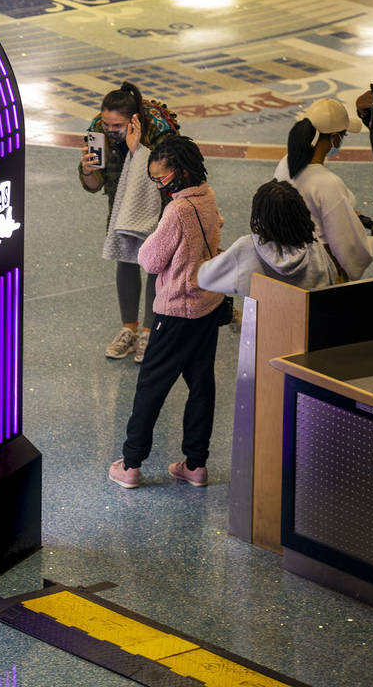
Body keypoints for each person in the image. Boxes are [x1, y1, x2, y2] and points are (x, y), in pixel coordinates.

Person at [108, 136, 224, 490]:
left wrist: (152, 238)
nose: (160, 186)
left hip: (175, 311)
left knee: (150, 388)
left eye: (162, 179)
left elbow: (151, 260)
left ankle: (130, 464)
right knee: (201, 384)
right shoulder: (207, 194)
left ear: (180, 171)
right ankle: (195, 464)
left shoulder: (176, 210)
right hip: (208, 306)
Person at [79, 82, 177, 364]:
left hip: (157, 199)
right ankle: (129, 330)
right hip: (121, 200)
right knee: (126, 258)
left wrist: (137, 149)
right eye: (106, 123)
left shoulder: (159, 130)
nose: (110, 129)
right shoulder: (97, 130)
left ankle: (149, 331)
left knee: (153, 261)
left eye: (116, 124)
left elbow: (164, 178)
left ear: (134, 120)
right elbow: (94, 185)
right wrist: (88, 170)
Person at [273, 98, 370, 281]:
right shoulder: (327, 183)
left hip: (287, 264)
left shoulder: (286, 163)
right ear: (334, 137)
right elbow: (348, 249)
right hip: (320, 271)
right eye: (343, 135)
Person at [197, 180, 336, 297]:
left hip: (264, 324)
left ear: (260, 218)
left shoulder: (246, 248)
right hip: (309, 323)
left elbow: (204, 278)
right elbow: (332, 275)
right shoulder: (313, 243)